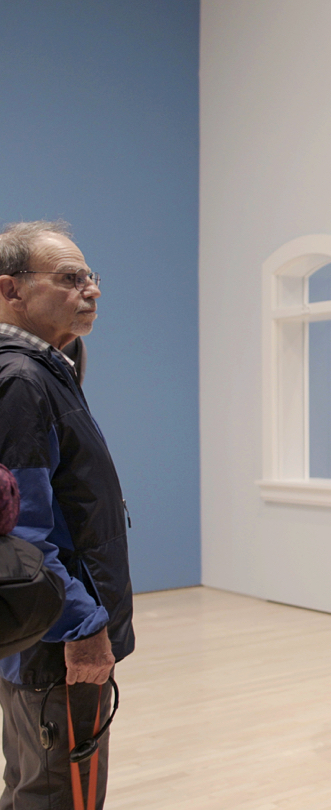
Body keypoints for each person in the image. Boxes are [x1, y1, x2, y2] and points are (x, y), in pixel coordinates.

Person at [0, 221, 131, 809]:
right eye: (70, 278)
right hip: (56, 639)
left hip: (43, 635)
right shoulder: (23, 382)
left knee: (34, 779)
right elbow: (22, 537)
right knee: (57, 793)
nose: (91, 290)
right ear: (12, 290)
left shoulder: (39, 369)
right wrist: (82, 628)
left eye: (91, 277)